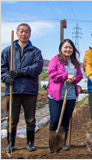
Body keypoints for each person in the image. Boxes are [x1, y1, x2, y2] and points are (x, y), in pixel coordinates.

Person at [1, 23, 44, 152]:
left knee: (30, 119)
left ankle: (30, 143)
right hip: (12, 89)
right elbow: (2, 68)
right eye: (21, 31)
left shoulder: (35, 51)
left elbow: (37, 68)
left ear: (30, 34)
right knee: (12, 119)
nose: (24, 34)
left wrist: (21, 71)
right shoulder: (8, 51)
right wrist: (5, 78)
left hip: (29, 90)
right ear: (17, 33)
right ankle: (11, 143)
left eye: (26, 32)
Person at [47, 39, 83, 151]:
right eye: (65, 47)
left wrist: (74, 78)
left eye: (70, 47)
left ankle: (63, 143)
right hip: (56, 96)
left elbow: (80, 75)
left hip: (71, 95)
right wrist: (65, 76)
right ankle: (53, 144)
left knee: (65, 120)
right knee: (54, 119)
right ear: (61, 48)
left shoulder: (75, 62)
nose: (68, 49)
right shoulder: (55, 60)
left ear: (73, 49)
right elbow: (51, 73)